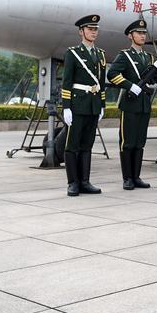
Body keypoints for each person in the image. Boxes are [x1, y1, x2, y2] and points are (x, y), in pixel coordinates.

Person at [108, 18, 157, 190]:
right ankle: (127, 178)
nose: (142, 36)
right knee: (128, 142)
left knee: (139, 142)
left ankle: (136, 176)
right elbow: (112, 74)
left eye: (144, 33)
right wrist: (130, 86)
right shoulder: (124, 55)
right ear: (130, 36)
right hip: (130, 104)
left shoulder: (149, 57)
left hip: (144, 103)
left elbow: (156, 78)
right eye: (139, 33)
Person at [60, 15, 107, 197]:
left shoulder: (100, 54)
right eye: (89, 29)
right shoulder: (73, 53)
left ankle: (85, 181)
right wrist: (66, 107)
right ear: (81, 32)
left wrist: (102, 104)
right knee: (72, 145)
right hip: (78, 104)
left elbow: (101, 83)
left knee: (87, 145)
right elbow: (67, 82)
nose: (93, 32)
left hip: (93, 105)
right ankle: (73, 182)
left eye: (95, 29)